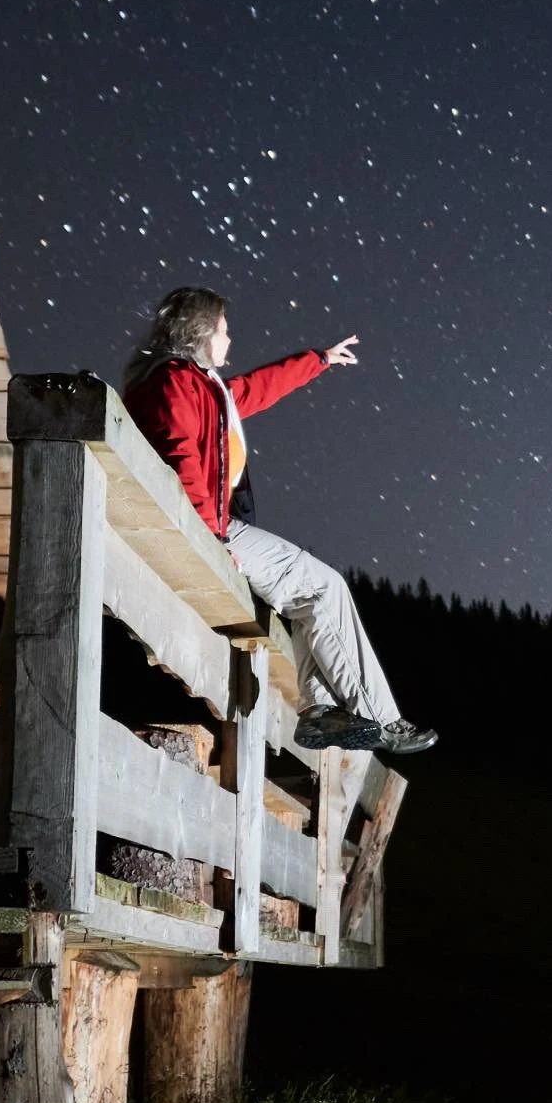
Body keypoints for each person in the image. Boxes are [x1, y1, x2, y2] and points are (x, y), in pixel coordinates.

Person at [122, 285, 436, 755]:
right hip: (202, 527)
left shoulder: (202, 387)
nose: (230, 341)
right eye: (224, 332)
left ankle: (322, 713)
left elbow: (255, 389)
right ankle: (375, 718)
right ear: (202, 332)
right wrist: (209, 539)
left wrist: (319, 360)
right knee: (321, 588)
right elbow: (181, 461)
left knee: (319, 590)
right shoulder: (173, 383)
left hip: (212, 524)